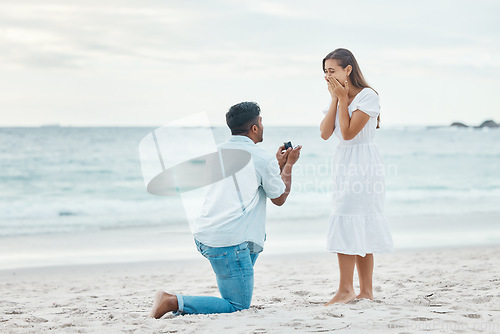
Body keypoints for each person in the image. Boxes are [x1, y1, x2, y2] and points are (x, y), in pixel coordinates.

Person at [150, 101, 302, 318]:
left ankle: (187, 306)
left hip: (206, 235)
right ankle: (171, 301)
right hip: (229, 242)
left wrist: (276, 165)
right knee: (237, 305)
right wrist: (288, 166)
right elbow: (279, 198)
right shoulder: (261, 158)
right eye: (261, 121)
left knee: (245, 261)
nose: (262, 125)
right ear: (255, 127)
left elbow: (248, 184)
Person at [319, 48, 393, 304]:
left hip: (364, 165)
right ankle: (357, 291)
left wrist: (342, 100)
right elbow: (326, 133)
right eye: (325, 72)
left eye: (332, 71)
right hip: (344, 163)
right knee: (350, 218)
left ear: (347, 69)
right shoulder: (339, 97)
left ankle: (354, 290)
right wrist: (335, 99)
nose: (327, 76)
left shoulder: (368, 97)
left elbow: (349, 133)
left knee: (355, 218)